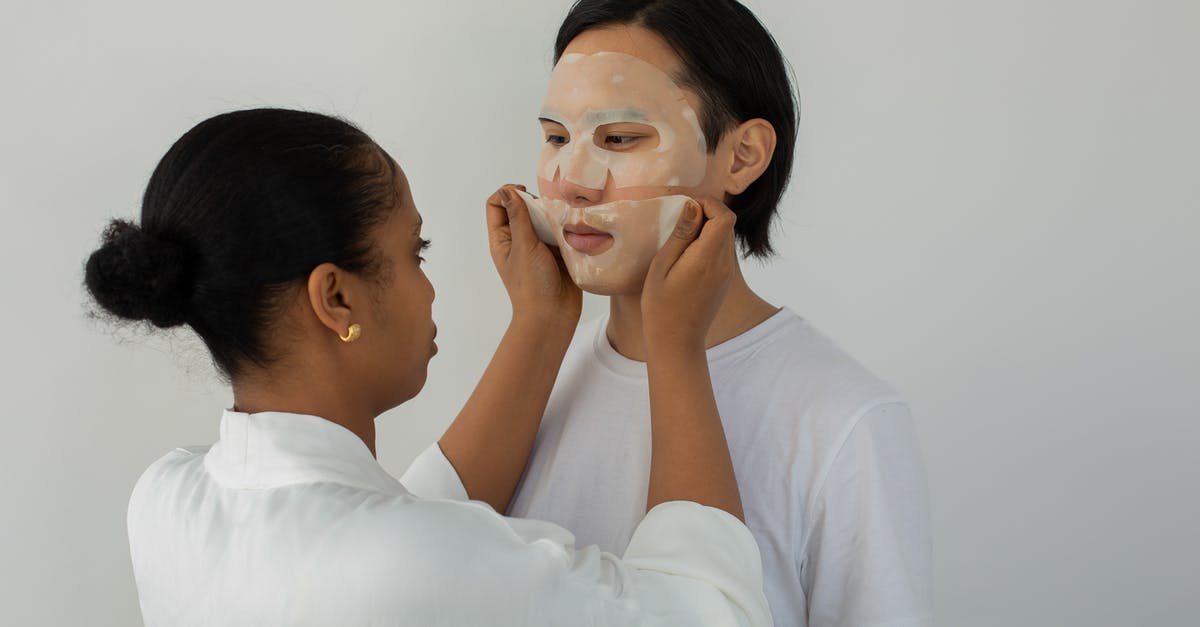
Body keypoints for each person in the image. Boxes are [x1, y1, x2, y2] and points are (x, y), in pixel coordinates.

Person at [83, 108, 772, 626]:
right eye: (416, 252)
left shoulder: (166, 496)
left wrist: (540, 323)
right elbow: (709, 612)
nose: (430, 286)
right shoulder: (397, 560)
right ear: (336, 296)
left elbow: (399, 523)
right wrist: (676, 343)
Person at [502, 2, 934, 626]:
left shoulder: (845, 421)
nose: (570, 180)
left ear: (742, 157)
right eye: (555, 137)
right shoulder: (536, 379)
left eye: (620, 138)